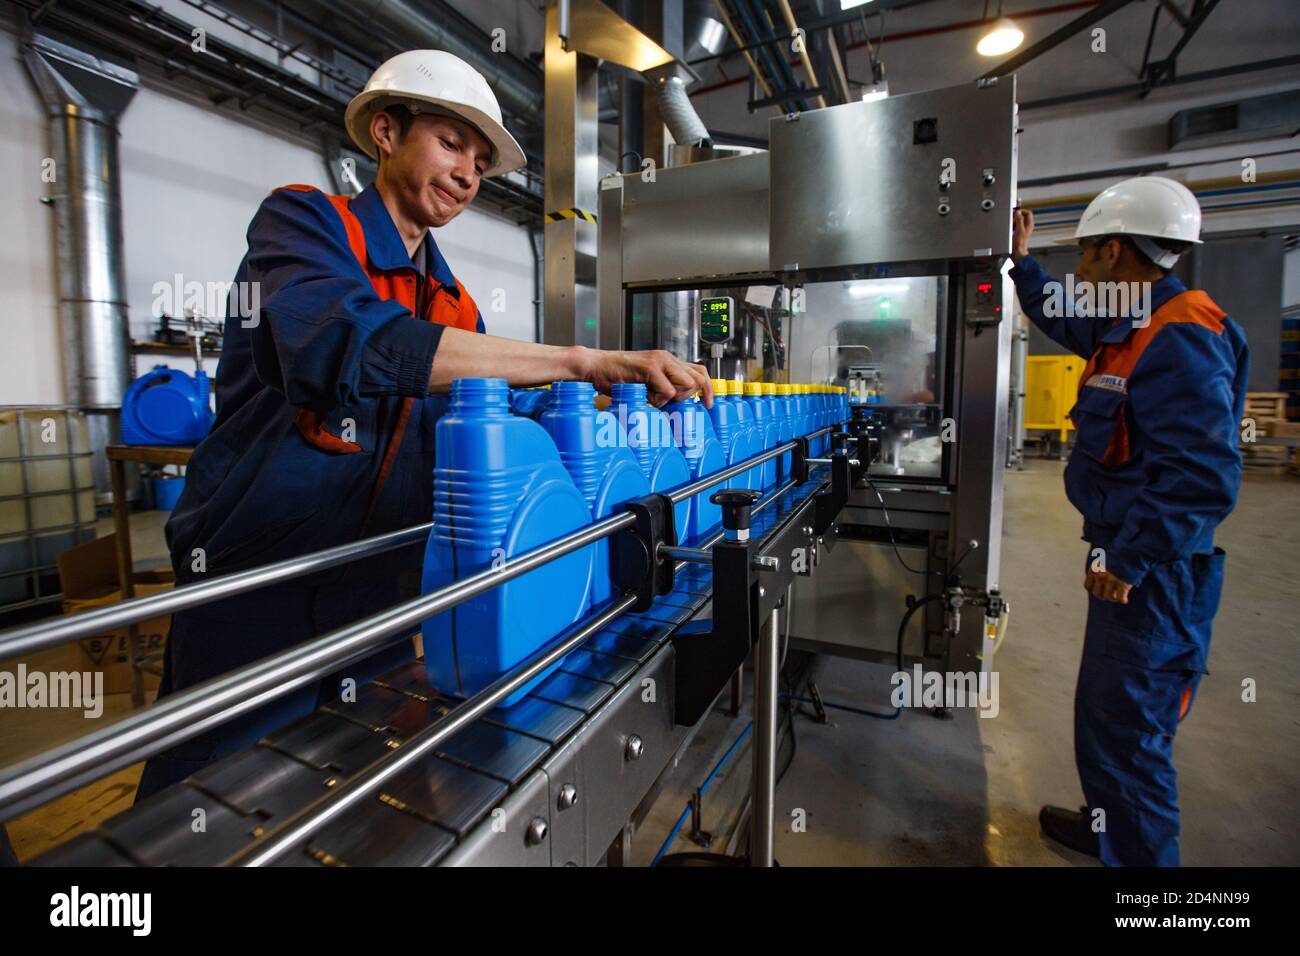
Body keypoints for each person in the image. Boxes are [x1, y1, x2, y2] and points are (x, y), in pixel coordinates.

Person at [135, 50, 711, 800]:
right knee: (207, 799)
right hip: (257, 586)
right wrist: (582, 361)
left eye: (480, 160)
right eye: (449, 142)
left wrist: (609, 409)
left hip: (383, 589)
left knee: (345, 784)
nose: (469, 173)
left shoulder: (452, 304)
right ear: (384, 131)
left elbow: (489, 416)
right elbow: (343, 342)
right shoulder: (306, 223)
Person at [1009, 177, 1248, 866]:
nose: (1078, 269)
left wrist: (1130, 560)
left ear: (1114, 253)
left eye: (1084, 255)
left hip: (1154, 573)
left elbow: (1202, 477)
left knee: (1129, 728)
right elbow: (1066, 318)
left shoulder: (1181, 336)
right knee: (1107, 714)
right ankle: (1108, 827)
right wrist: (1022, 263)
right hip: (1126, 554)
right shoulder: (1134, 323)